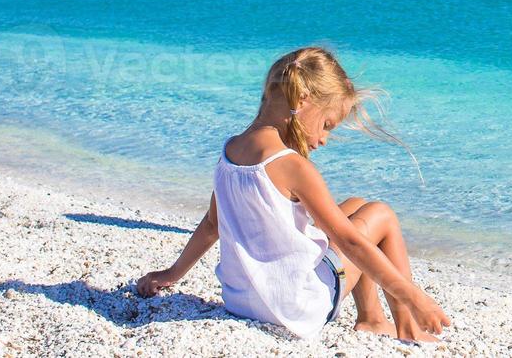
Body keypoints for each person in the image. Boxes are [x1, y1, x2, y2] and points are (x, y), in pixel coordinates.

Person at [136, 46, 450, 341]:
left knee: (356, 205)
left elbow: (211, 225)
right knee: (381, 214)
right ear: (302, 100)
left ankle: (372, 319)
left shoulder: (229, 151)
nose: (325, 139)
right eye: (327, 124)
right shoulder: (292, 166)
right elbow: (350, 243)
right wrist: (415, 296)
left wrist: (172, 273)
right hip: (296, 307)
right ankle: (408, 324)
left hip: (241, 301)